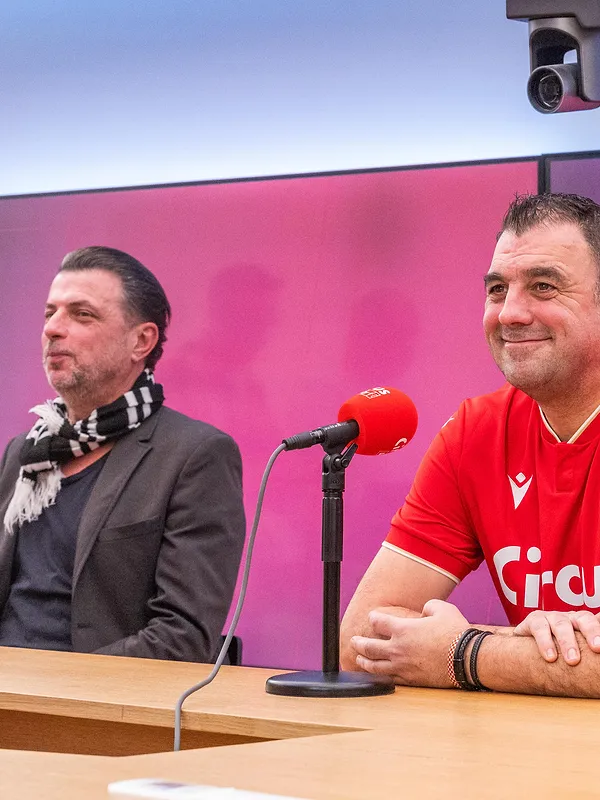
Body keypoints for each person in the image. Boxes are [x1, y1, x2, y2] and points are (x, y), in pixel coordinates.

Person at [340, 193, 600, 697]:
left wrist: (463, 652)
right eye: (497, 289)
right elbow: (358, 642)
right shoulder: (476, 431)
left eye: (544, 286)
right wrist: (515, 651)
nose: (510, 314)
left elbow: (444, 652)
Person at [0, 246, 245, 661]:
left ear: (141, 341)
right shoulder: (25, 452)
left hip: (91, 693)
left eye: (82, 315)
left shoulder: (195, 456)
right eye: (50, 313)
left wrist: (57, 682)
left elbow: (182, 637)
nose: (53, 329)